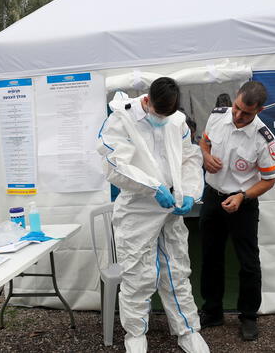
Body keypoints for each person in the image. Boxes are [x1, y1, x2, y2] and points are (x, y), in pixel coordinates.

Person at [97, 77, 209, 353]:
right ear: (147, 100)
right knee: (137, 273)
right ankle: (135, 334)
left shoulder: (177, 121)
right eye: (158, 114)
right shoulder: (121, 119)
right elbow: (114, 165)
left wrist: (191, 193)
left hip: (171, 206)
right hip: (137, 207)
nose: (161, 119)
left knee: (177, 269)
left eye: (166, 115)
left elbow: (189, 158)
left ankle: (187, 329)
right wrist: (152, 186)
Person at [198, 81, 275, 341]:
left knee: (248, 263)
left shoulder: (264, 139)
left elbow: (268, 180)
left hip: (242, 203)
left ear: (260, 110)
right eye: (236, 107)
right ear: (234, 99)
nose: (238, 115)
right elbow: (204, 142)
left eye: (246, 112)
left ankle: (248, 317)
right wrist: (205, 156)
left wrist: (243, 196)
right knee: (210, 256)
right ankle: (212, 311)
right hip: (212, 197)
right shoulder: (218, 116)